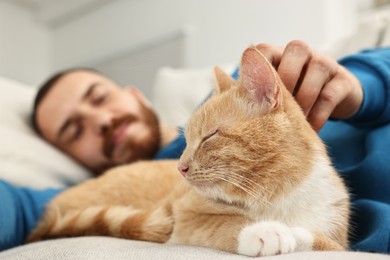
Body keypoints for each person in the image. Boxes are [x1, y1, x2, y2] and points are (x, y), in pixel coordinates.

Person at [0, 40, 389, 254]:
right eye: (73, 130)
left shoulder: (236, 96)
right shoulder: (169, 177)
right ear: (70, 157)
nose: (100, 121)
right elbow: (27, 213)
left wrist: (363, 89)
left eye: (99, 98)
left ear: (136, 95)